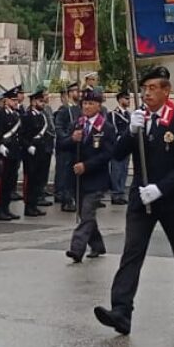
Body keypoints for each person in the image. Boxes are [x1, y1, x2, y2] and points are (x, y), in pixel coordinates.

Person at [93, 65, 174, 335]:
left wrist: (161, 188)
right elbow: (117, 155)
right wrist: (129, 132)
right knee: (132, 253)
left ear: (167, 90)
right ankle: (121, 310)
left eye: (153, 88)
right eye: (145, 88)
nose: (148, 93)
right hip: (141, 199)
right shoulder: (138, 118)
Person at [62, 90, 116, 263]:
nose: (87, 106)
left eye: (91, 103)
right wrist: (72, 140)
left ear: (99, 106)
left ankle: (76, 249)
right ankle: (97, 245)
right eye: (84, 103)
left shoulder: (105, 128)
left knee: (86, 213)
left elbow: (107, 154)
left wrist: (86, 166)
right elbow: (62, 145)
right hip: (77, 179)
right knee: (86, 214)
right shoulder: (76, 125)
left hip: (96, 179)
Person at [0, 87, 26, 221]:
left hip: (14, 153)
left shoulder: (16, 115)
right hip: (2, 154)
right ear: (6, 100)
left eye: (16, 100)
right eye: (13, 100)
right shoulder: (0, 114)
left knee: (10, 182)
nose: (16, 102)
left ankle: (6, 207)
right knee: (1, 182)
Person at [20, 90, 52, 215]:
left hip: (40, 152)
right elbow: (22, 135)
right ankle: (28, 206)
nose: (42, 104)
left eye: (43, 101)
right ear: (33, 102)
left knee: (38, 179)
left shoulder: (41, 115)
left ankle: (34, 204)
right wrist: (28, 146)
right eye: (40, 101)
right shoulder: (27, 116)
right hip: (30, 153)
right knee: (30, 180)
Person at [53, 85, 78, 212]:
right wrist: (67, 138)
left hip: (75, 147)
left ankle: (72, 197)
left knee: (73, 175)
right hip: (65, 146)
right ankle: (65, 199)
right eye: (75, 91)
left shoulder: (78, 109)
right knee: (64, 173)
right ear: (69, 93)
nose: (77, 93)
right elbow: (59, 127)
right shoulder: (64, 109)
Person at [107, 91, 132, 206]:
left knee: (124, 170)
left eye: (129, 98)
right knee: (116, 170)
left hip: (127, 146)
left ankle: (121, 192)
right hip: (117, 146)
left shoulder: (128, 115)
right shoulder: (113, 114)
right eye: (126, 98)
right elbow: (112, 130)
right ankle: (115, 194)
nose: (128, 101)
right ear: (120, 99)